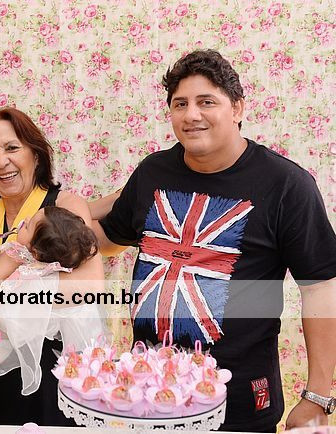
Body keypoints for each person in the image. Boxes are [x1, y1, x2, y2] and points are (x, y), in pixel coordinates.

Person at [93, 49, 336, 431]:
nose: (191, 114)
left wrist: (318, 396)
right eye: (180, 104)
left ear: (237, 108)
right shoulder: (152, 172)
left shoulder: (287, 185)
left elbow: (321, 287)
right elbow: (110, 236)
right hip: (149, 396)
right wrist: (56, 218)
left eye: (206, 101)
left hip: (240, 401)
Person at [0, 107, 104, 426]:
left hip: (59, 375)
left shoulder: (64, 207)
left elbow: (89, 288)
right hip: (0, 378)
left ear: (35, 155)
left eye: (12, 148)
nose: (1, 161)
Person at [0, 206, 104, 394]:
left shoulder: (18, 256)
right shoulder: (49, 263)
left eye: (28, 226)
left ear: (36, 251)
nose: (25, 220)